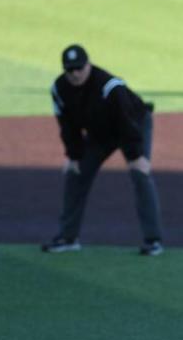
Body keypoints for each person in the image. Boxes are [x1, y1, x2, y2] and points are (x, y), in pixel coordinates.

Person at [42, 44, 164, 255]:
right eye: (70, 69)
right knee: (75, 173)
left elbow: (126, 120)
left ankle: (153, 240)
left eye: (79, 67)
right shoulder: (59, 89)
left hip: (133, 124)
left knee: (140, 173)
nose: (75, 73)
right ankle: (68, 237)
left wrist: (136, 155)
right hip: (100, 134)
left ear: (88, 65)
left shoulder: (109, 85)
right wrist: (74, 155)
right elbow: (67, 126)